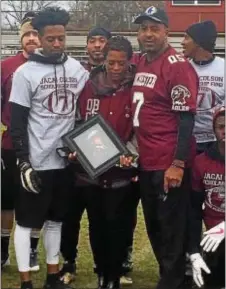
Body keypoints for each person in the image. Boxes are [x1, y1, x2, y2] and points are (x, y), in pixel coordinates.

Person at [9, 7, 89, 289]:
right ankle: (25, 281)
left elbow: (85, 113)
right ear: (39, 38)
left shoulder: (76, 69)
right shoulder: (24, 73)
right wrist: (23, 161)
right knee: (26, 223)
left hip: (65, 162)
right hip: (37, 162)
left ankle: (52, 276)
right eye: (50, 39)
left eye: (61, 38)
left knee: (56, 221)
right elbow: (16, 122)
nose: (57, 44)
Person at [132, 6, 199, 289]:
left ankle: (171, 281)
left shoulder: (176, 65)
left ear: (166, 32)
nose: (148, 34)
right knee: (156, 227)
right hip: (146, 160)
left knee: (171, 229)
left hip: (167, 161)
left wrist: (178, 163)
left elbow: (186, 118)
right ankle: (174, 278)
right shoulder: (143, 61)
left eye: (154, 28)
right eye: (144, 28)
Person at [65, 36, 137, 289]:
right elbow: (76, 122)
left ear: (130, 62)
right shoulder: (87, 86)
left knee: (118, 226)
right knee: (96, 225)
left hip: (122, 172)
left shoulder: (135, 88)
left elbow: (141, 128)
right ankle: (101, 274)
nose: (116, 69)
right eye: (111, 63)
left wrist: (131, 155)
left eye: (121, 64)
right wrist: (75, 149)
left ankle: (114, 276)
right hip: (90, 172)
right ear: (103, 60)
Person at [60, 27, 111, 284]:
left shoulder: (118, 75)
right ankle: (68, 262)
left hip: (104, 155)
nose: (97, 45)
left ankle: (104, 266)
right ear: (87, 45)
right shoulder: (76, 72)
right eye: (93, 41)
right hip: (74, 154)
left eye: (103, 40)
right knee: (70, 214)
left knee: (99, 218)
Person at [1, 12, 41, 271]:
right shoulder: (6, 66)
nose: (32, 38)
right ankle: (2, 251)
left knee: (36, 198)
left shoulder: (51, 66)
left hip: (40, 144)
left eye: (36, 33)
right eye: (27, 34)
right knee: (6, 200)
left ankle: (33, 250)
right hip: (10, 145)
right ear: (21, 38)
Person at [188, 106, 225, 289]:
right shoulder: (201, 162)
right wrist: (194, 252)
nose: (225, 131)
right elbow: (194, 210)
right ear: (214, 130)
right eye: (221, 126)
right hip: (213, 240)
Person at [181, 20, 225, 154]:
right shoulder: (182, 68)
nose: (182, 42)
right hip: (187, 141)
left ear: (199, 43)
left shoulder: (223, 67)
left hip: (217, 142)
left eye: (187, 37)